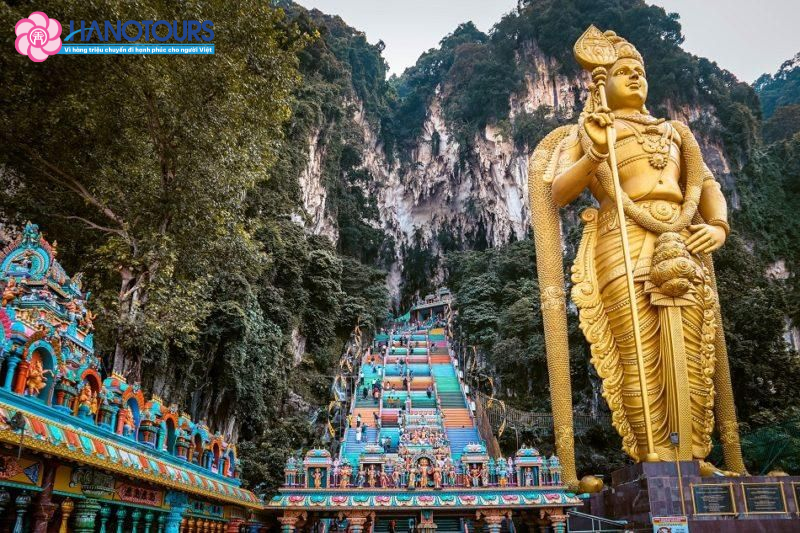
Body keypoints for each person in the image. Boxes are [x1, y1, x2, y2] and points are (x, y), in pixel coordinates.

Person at [532, 27, 741, 468]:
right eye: (622, 71)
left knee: (692, 348)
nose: (634, 77)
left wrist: (719, 226)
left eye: (639, 71)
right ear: (602, 82)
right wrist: (594, 152)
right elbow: (558, 193)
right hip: (621, 239)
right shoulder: (591, 130)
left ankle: (694, 453)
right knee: (637, 350)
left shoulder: (676, 132)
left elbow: (706, 185)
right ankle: (652, 454)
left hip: (682, 237)